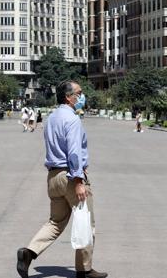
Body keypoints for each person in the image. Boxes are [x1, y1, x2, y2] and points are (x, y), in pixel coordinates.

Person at [16, 80, 108, 278]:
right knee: (85, 221)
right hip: (70, 176)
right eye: (79, 93)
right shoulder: (72, 120)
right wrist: (78, 181)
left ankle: (28, 253)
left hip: (53, 177)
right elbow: (74, 153)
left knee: (56, 222)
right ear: (68, 97)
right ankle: (84, 269)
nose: (82, 96)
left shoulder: (52, 118)